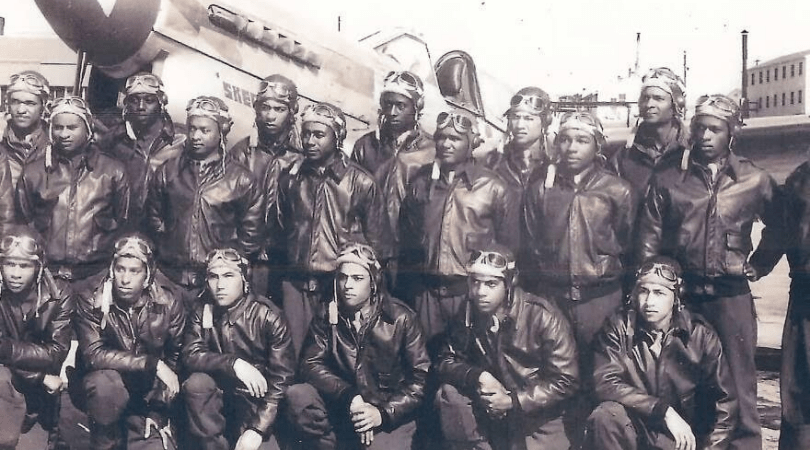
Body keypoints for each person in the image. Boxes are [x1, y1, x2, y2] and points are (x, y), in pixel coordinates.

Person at [637, 94, 784, 450]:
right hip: (684, 298)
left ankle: (745, 445)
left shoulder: (753, 179)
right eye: (699, 127)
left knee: (738, 381)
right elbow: (649, 240)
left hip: (730, 297)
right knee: (682, 377)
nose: (705, 135)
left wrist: (760, 263)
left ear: (730, 133)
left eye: (714, 129)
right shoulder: (670, 180)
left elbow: (783, 225)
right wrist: (656, 286)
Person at [285, 242, 430, 450]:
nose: (347, 285)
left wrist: (382, 414)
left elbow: (421, 379)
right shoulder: (328, 313)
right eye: (342, 277)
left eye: (357, 278)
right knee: (298, 396)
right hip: (344, 410)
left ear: (374, 282)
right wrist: (349, 396)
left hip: (386, 415)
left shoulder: (401, 318)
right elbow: (310, 363)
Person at [585, 256, 737, 450]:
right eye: (643, 291)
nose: (649, 301)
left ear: (676, 296)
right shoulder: (618, 327)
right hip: (635, 431)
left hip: (680, 439)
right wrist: (662, 410)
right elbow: (604, 381)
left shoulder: (700, 336)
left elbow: (725, 405)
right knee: (606, 416)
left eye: (659, 293)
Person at [435, 243, 578, 450]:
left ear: (509, 283)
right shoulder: (468, 310)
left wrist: (513, 401)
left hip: (537, 414)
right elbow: (445, 359)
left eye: (491, 284)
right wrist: (479, 376)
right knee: (448, 394)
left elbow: (567, 380)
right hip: (492, 410)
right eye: (475, 282)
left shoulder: (542, 316)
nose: (480, 292)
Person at [278, 102, 390, 354]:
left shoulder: (361, 182)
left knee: (335, 357)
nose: (310, 141)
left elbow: (379, 245)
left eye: (319, 135)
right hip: (296, 286)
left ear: (337, 137)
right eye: (306, 134)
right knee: (293, 355)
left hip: (338, 287)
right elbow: (281, 226)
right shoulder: (291, 177)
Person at [399, 109, 519, 342]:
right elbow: (408, 237)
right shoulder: (421, 184)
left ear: (472, 142)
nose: (446, 144)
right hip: (427, 295)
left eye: (455, 138)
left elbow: (510, 246)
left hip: (471, 294)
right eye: (442, 137)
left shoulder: (493, 187)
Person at [144, 96, 264, 308]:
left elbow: (250, 237)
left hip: (214, 283)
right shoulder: (167, 172)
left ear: (221, 132)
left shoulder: (241, 179)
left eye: (204, 130)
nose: (195, 136)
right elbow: (153, 218)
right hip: (170, 278)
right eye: (192, 129)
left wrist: (224, 268)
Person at [73, 234, 185, 450]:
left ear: (148, 275)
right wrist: (151, 363)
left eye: (134, 271)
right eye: (120, 269)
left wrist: (158, 411)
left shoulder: (169, 300)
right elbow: (93, 354)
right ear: (111, 269)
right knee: (106, 386)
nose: (125, 279)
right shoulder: (90, 296)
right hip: (105, 391)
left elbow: (175, 357)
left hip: (146, 396)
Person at [181, 247, 295, 450]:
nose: (220, 285)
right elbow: (190, 354)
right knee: (196, 384)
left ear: (244, 280)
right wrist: (233, 364)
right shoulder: (201, 309)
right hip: (215, 410)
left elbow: (282, 380)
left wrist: (257, 429)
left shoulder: (268, 315)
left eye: (228, 276)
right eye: (213, 277)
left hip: (255, 409)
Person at [16, 96, 130, 290]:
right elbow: (23, 223)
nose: (64, 134)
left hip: (96, 277)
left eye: (72, 127)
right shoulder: (33, 172)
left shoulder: (113, 171)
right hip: (47, 276)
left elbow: (123, 222)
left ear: (88, 129)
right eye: (58, 128)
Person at [351, 71, 436, 296]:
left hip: (409, 255)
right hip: (370, 251)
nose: (392, 112)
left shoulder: (432, 151)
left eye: (400, 106)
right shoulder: (365, 146)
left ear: (416, 107)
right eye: (387, 105)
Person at [228, 74, 303, 304]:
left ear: (292, 112)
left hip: (288, 260)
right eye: (265, 107)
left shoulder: (303, 157)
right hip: (248, 256)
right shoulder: (241, 153)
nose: (270, 115)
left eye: (279, 109)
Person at [0, 225, 73, 450]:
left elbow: (55, 352)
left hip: (39, 395)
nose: (15, 273)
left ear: (39, 267)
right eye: (9, 264)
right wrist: (39, 376)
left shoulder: (59, 295)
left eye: (24, 265)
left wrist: (8, 350)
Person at [764, 158, 810, 448]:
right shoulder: (799, 183)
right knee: (798, 394)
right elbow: (780, 232)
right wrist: (759, 263)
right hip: (805, 298)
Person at [107, 72, 185, 221]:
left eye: (149, 100)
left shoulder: (182, 140)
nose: (141, 107)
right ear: (126, 104)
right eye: (134, 100)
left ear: (161, 103)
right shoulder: (113, 141)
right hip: (124, 230)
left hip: (165, 231)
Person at [609, 68, 689, 201]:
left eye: (658, 98)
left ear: (676, 105)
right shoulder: (623, 156)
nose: (649, 104)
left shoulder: (692, 152)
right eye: (645, 98)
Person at [1, 70, 51, 186]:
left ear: (43, 106)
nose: (21, 110)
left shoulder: (57, 145)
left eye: (30, 103)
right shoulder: (1, 144)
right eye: (15, 102)